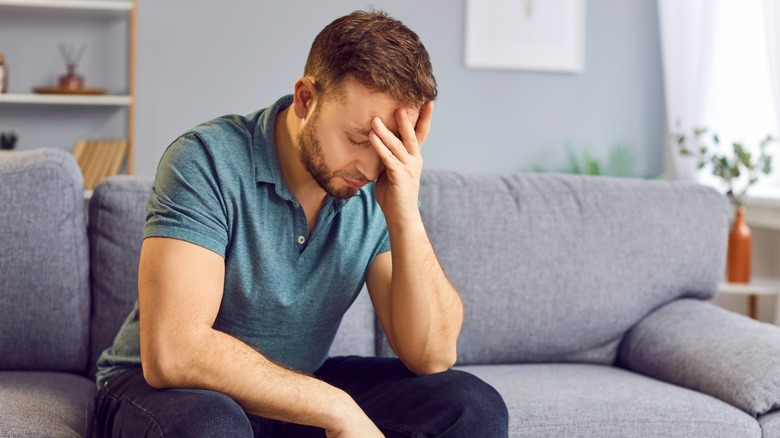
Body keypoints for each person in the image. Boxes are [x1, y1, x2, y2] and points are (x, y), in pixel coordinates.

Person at [95, 10, 508, 437]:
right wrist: (334, 406)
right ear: (306, 98)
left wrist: (404, 212)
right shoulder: (205, 160)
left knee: (471, 406)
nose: (369, 166)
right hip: (160, 392)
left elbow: (432, 355)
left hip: (288, 394)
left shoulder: (375, 185)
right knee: (211, 427)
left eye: (389, 146)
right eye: (357, 139)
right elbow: (174, 353)